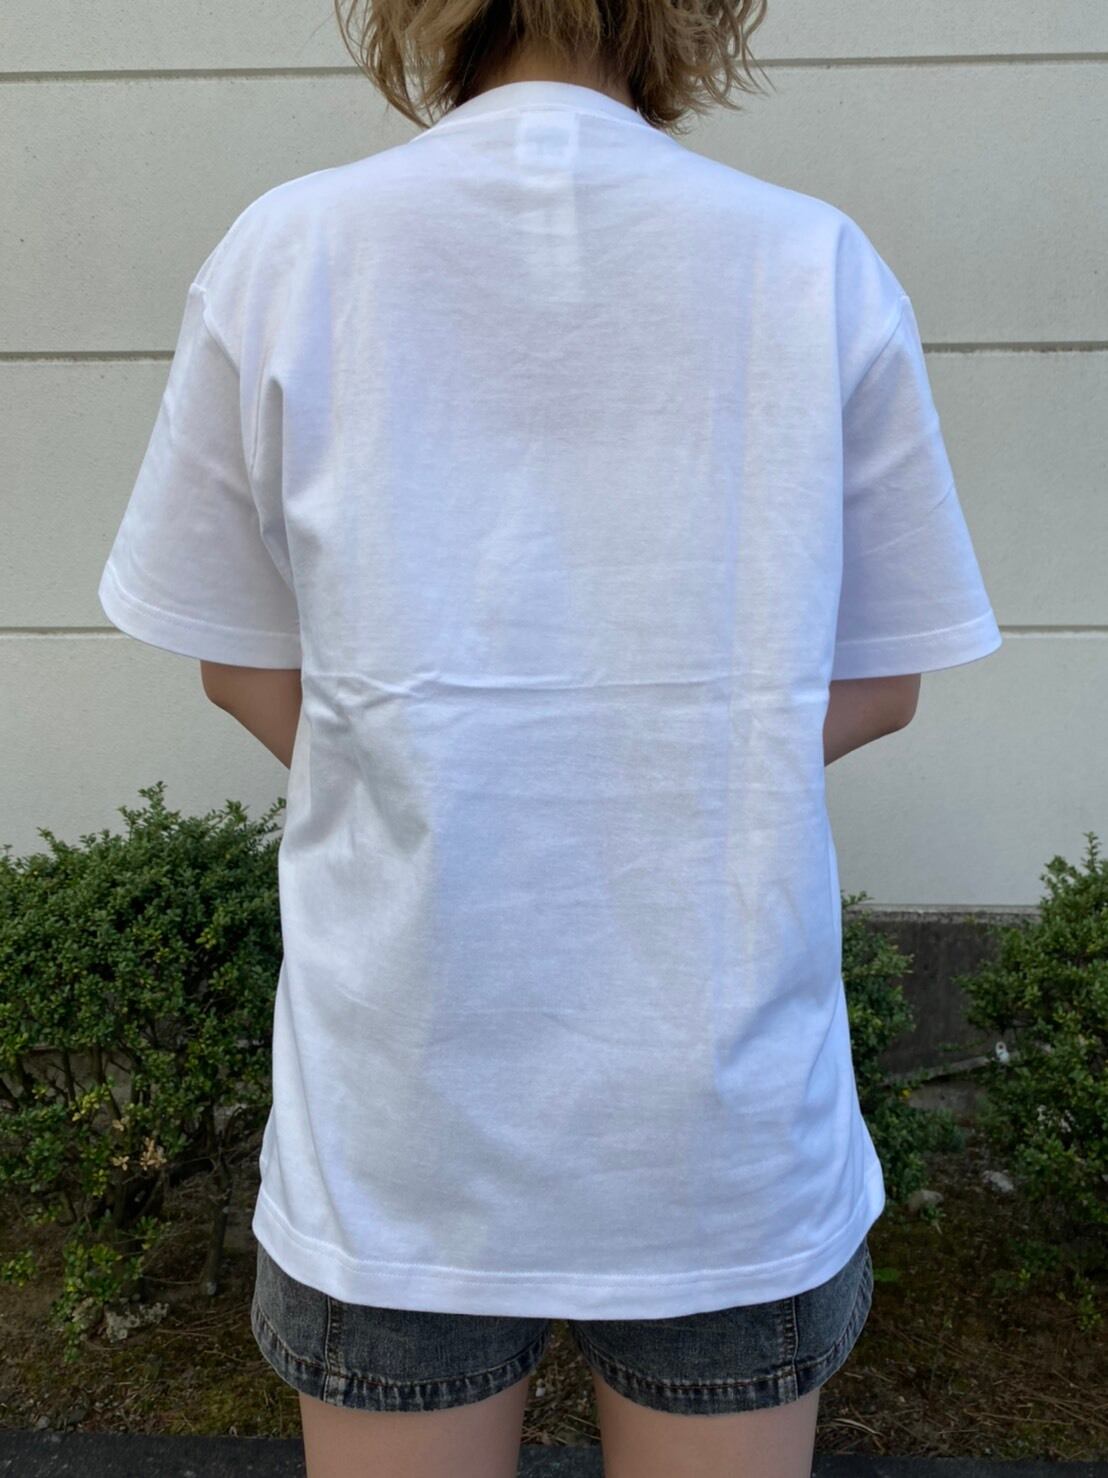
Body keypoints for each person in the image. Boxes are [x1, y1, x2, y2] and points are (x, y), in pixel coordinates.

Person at [97, 2, 1003, 1474]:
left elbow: (237, 661)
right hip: (719, 1127)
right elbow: (883, 681)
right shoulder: (811, 261)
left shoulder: (290, 251)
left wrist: (425, 782)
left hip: (400, 1115)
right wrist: (681, 771)